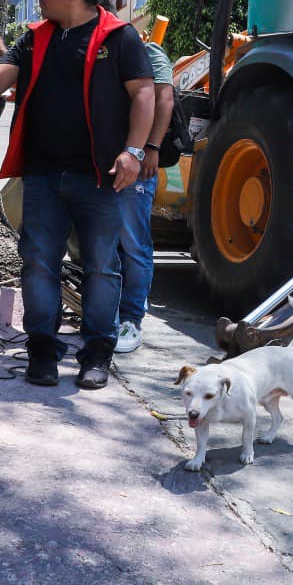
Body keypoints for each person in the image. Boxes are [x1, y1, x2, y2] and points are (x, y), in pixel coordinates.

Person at [0, 0, 154, 390]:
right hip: (42, 174)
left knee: (101, 266)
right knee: (38, 263)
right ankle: (42, 347)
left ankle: (98, 349)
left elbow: (145, 94)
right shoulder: (36, 38)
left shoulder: (120, 38)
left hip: (100, 177)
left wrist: (134, 151)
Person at [114, 36, 176, 354]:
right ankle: (109, 313)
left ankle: (131, 318)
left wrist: (150, 147)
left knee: (133, 242)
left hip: (137, 162)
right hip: (105, 163)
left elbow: (164, 99)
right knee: (106, 243)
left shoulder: (149, 52)